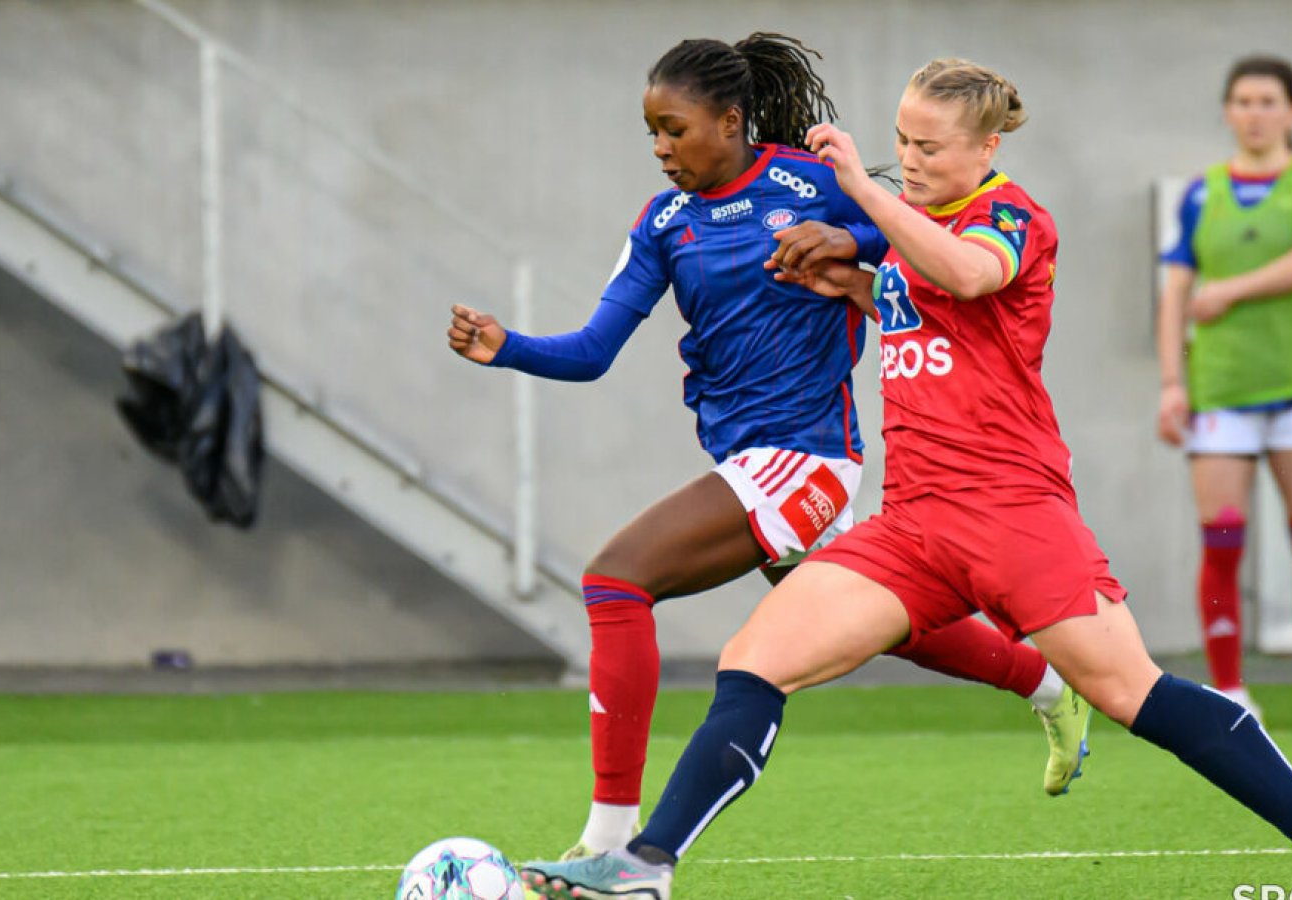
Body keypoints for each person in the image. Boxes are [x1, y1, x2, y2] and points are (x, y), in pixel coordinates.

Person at [521, 58, 1292, 900]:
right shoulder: (910, 229)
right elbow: (919, 303)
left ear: (985, 150)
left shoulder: (1011, 216)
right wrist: (852, 279)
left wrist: (860, 191)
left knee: (1130, 692)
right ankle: (645, 867)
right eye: (903, 142)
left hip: (1015, 513)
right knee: (754, 661)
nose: (913, 163)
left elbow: (969, 275)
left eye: (931, 148)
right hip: (914, 523)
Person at [447, 35, 1090, 862]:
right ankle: (1045, 682)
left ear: (730, 119)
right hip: (744, 459)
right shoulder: (663, 223)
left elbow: (919, 244)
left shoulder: (810, 183)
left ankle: (608, 839)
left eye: (675, 129)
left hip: (810, 456)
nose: (661, 149)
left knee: (615, 581)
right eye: (651, 132)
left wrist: (845, 240)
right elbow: (592, 351)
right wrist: (509, 347)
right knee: (891, 624)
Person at [1155, 55, 1292, 732]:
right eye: (1242, 100)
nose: (1255, 112)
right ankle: (1232, 690)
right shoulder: (1200, 194)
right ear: (1227, 111)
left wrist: (1229, 290)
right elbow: (1174, 292)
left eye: (1269, 100)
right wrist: (1172, 383)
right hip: (1221, 391)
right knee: (1222, 542)